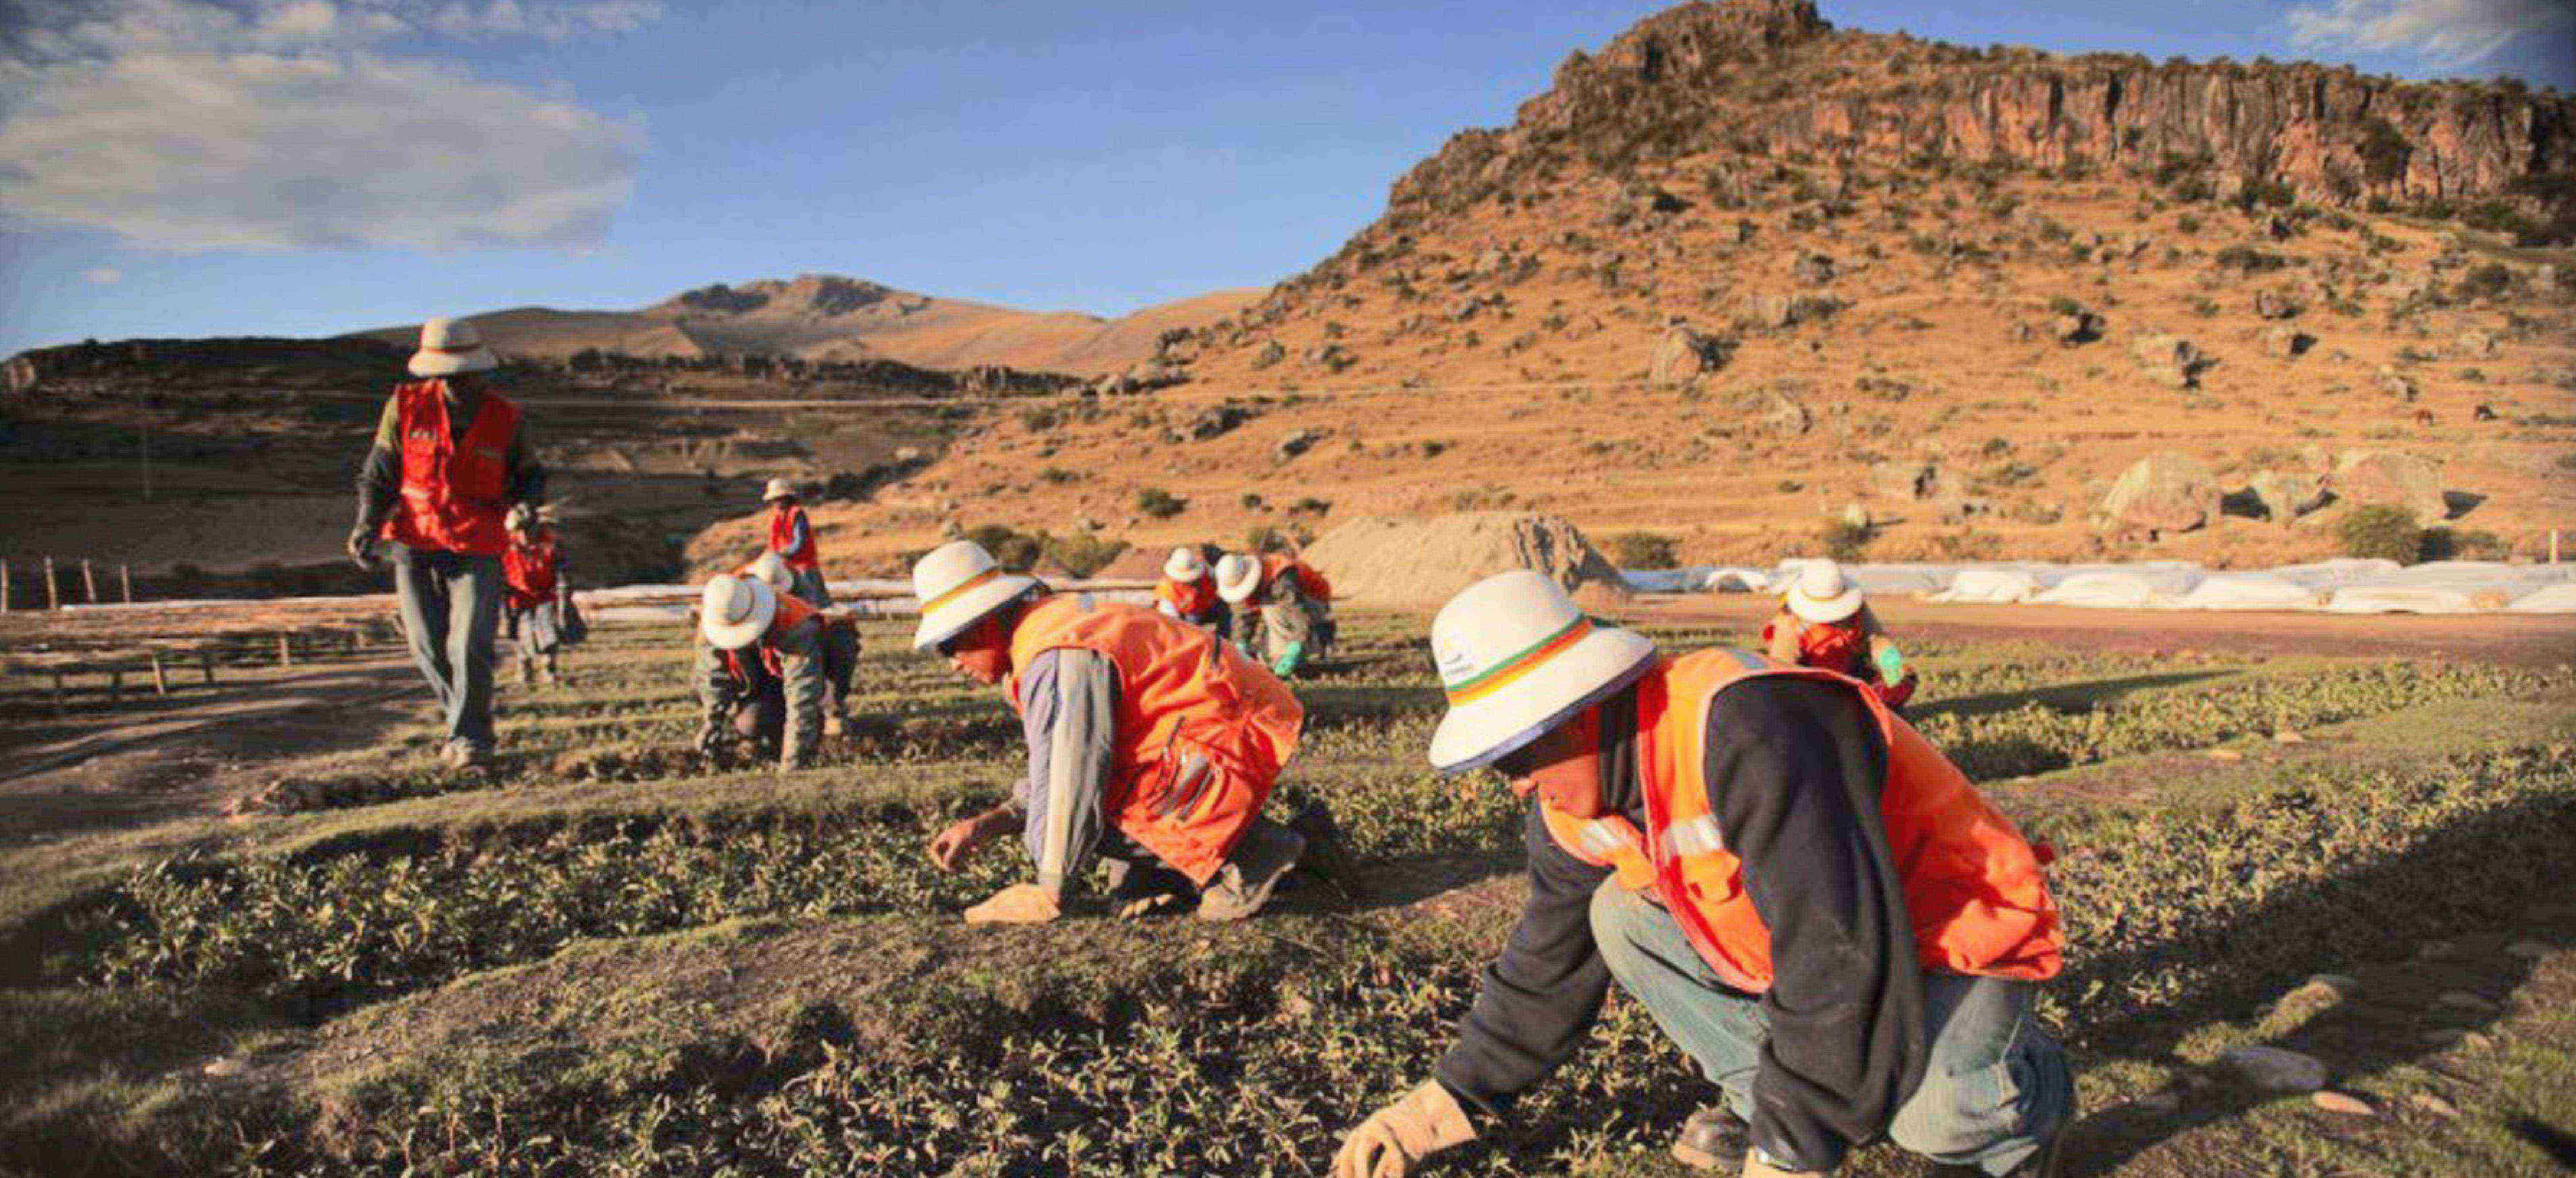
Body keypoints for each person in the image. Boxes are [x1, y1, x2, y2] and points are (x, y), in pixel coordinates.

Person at [1333, 572, 2069, 1178]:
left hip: (1948, 926)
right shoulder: (1569, 800)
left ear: (1581, 712)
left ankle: (2028, 1101)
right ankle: (1773, 1103)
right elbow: (1544, 968)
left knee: (1936, 1118)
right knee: (1615, 916)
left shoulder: (1748, 725)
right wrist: (1438, 1105)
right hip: (1830, 939)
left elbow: (1832, 950)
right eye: (1499, 763)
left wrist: (1792, 1153)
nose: (1517, 783)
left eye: (1517, 754)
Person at [911, 539, 1308, 924]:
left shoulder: (1057, 656)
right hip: (1217, 726)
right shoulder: (1048, 632)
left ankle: (1256, 856)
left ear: (982, 627)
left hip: (1226, 731)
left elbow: (1071, 781)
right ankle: (1190, 866)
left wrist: (1049, 889)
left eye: (950, 648)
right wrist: (990, 823)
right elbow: (1061, 763)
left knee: (1072, 818)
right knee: (1080, 809)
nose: (953, 666)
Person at [346, 317, 543, 770]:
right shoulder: (404, 406)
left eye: (463, 375)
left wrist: (529, 507)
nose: (454, 384)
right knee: (427, 645)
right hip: (414, 542)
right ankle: (466, 723)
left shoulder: (506, 418)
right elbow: (379, 474)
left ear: (481, 372)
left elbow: (530, 477)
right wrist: (365, 525)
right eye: (445, 376)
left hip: (479, 544)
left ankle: (470, 738)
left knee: (469, 643)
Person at [693, 562, 833, 770]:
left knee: (805, 713)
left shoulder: (796, 625)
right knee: (751, 722)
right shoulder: (720, 612)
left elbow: (802, 697)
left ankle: (823, 722)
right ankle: (773, 732)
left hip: (807, 673)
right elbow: (714, 680)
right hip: (762, 677)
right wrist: (709, 734)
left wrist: (793, 764)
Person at [1761, 561, 1917, 710]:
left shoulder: (1858, 611)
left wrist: (1889, 660)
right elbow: (1781, 667)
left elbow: (1876, 639)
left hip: (1852, 679)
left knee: (1904, 681)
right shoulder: (1789, 621)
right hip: (1810, 688)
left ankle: (1865, 706)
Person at [1216, 550, 1334, 678]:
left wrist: (1296, 646)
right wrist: (1240, 644)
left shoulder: (1280, 579)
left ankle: (1314, 641)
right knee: (1266, 655)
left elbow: (1296, 613)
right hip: (1294, 606)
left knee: (1272, 613)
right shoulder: (1248, 577)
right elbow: (1243, 614)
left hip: (1314, 601)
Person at [500, 504, 576, 687]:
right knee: (523, 634)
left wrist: (563, 600)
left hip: (546, 597)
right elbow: (500, 576)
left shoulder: (551, 545)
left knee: (549, 633)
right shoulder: (505, 548)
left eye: (527, 529)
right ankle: (524, 670)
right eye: (519, 531)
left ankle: (550, 670)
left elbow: (562, 574)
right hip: (519, 599)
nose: (524, 535)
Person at [762, 477, 831, 606]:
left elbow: (799, 543)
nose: (777, 502)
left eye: (780, 498)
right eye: (775, 500)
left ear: (787, 498)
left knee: (813, 606)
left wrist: (781, 554)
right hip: (785, 568)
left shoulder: (798, 514)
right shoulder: (776, 517)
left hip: (804, 567)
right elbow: (772, 544)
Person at [1152, 545, 1230, 637]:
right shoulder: (1167, 595)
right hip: (1184, 618)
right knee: (1190, 623)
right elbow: (1172, 625)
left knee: (1224, 611)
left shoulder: (1206, 574)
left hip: (1205, 608)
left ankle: (1222, 644)